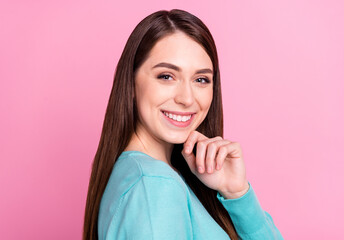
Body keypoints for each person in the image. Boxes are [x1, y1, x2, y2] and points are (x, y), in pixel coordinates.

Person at [83, 9, 284, 240]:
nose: (187, 98)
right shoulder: (154, 184)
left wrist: (236, 193)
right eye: (166, 76)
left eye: (201, 79)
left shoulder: (149, 176)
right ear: (131, 83)